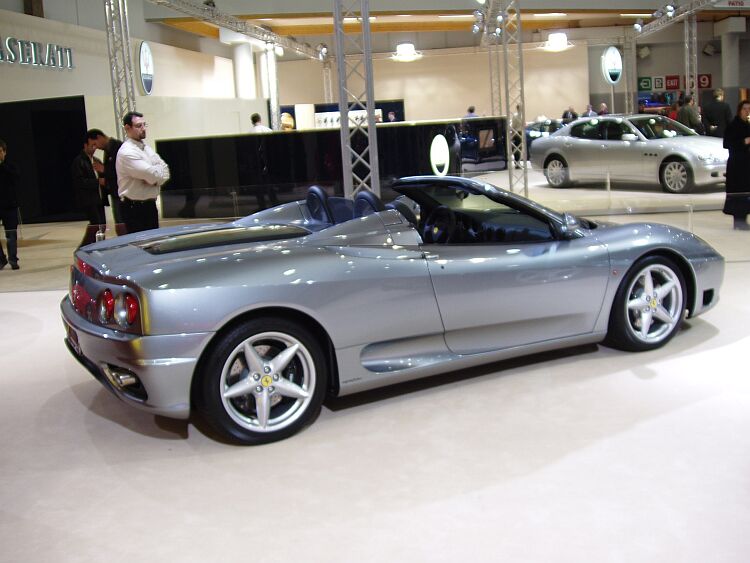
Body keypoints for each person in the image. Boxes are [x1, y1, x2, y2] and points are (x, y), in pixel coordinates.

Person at [116, 111, 170, 233]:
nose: (143, 129)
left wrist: (154, 179)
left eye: (144, 124)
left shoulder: (146, 148)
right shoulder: (127, 152)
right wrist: (154, 176)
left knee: (154, 243)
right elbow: (150, 174)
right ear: (127, 128)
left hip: (149, 206)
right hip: (134, 208)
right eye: (139, 126)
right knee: (140, 246)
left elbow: (165, 170)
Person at [722, 100, 750, 230]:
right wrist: (744, 141)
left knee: (745, 192)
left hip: (746, 164)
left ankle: (743, 219)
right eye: (745, 109)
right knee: (738, 191)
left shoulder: (747, 125)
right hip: (737, 164)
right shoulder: (734, 125)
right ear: (740, 110)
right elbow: (727, 143)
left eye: (749, 109)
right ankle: (738, 220)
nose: (747, 111)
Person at [71, 131, 106, 228]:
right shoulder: (79, 161)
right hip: (89, 199)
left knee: (102, 224)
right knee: (96, 225)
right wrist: (98, 182)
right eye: (92, 145)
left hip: (99, 198)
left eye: (95, 145)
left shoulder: (96, 160)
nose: (94, 148)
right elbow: (80, 182)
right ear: (85, 145)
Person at [88, 128, 123, 223]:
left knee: (122, 223)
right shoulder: (107, 150)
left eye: (95, 144)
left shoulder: (117, 147)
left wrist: (104, 169)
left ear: (99, 137)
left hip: (123, 194)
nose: (95, 148)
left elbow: (124, 170)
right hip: (115, 193)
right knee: (119, 223)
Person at [0, 139, 20, 270]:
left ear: (4, 152)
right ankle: (1, 259)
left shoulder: (10, 166)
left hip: (9, 205)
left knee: (11, 234)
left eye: (0, 151)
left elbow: (16, 178)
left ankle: (13, 259)